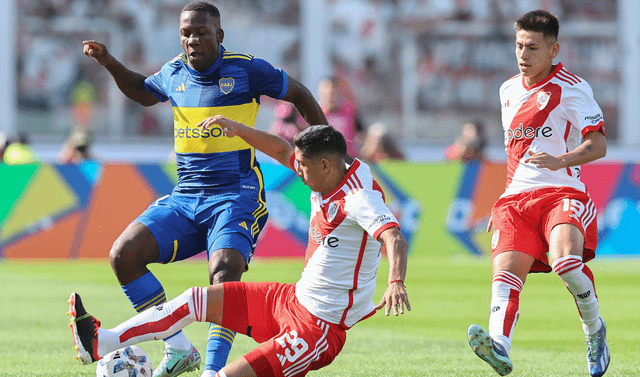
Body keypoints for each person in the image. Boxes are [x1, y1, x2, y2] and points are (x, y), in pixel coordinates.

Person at [81, 2, 328, 376]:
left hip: (236, 193)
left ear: (219, 35)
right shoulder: (173, 72)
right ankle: (178, 348)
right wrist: (110, 63)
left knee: (225, 273)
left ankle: (212, 371)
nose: (192, 39)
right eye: (185, 33)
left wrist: (328, 149)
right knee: (123, 255)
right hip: (186, 196)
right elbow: (144, 92)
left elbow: (301, 94)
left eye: (200, 32)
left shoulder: (247, 69)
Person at [68, 121, 411, 377]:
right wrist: (235, 128)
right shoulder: (329, 170)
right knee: (192, 300)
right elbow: (280, 149)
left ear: (325, 165)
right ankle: (101, 342)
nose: (298, 172)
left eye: (303, 167)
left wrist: (395, 281)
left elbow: (394, 237)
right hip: (289, 299)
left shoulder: (358, 198)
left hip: (316, 330)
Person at [466, 10, 609, 377]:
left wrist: (560, 160)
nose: (522, 54)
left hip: (562, 190)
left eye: (532, 47)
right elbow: (515, 156)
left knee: (565, 263)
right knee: (505, 273)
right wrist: (503, 199)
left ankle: (594, 330)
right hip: (517, 199)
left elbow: (598, 145)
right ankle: (499, 345)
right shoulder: (508, 90)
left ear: (553, 50)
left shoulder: (572, 88)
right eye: (518, 46)